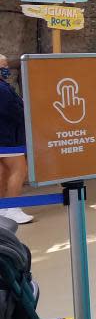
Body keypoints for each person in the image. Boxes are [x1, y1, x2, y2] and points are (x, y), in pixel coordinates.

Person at [0, 55, 30, 224]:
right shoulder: (3, 90)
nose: (6, 69)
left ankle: (3, 206)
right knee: (19, 169)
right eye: (3, 66)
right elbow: (15, 111)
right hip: (9, 137)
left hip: (4, 138)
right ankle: (13, 207)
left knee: (3, 172)